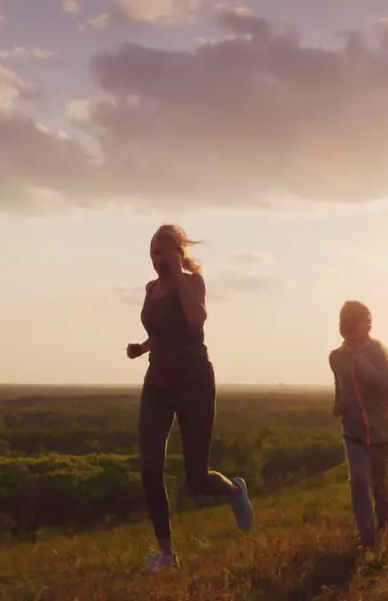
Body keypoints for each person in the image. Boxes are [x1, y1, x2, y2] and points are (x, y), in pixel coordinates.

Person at [125, 224, 254, 571]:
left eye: (163, 253)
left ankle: (233, 492)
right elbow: (162, 330)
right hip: (158, 384)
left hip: (195, 382)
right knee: (150, 467)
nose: (156, 261)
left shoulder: (193, 283)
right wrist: (143, 347)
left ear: (178, 253)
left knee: (196, 478)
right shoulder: (150, 289)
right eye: (152, 254)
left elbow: (195, 322)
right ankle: (166, 554)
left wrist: (180, 276)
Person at [329, 300, 388, 549]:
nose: (347, 325)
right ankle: (368, 541)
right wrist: (338, 403)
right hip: (354, 431)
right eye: (343, 321)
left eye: (354, 320)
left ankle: (385, 525)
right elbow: (340, 383)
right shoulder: (335, 357)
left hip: (382, 431)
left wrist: (368, 370)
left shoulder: (376, 354)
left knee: (379, 483)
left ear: (367, 325)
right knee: (359, 482)